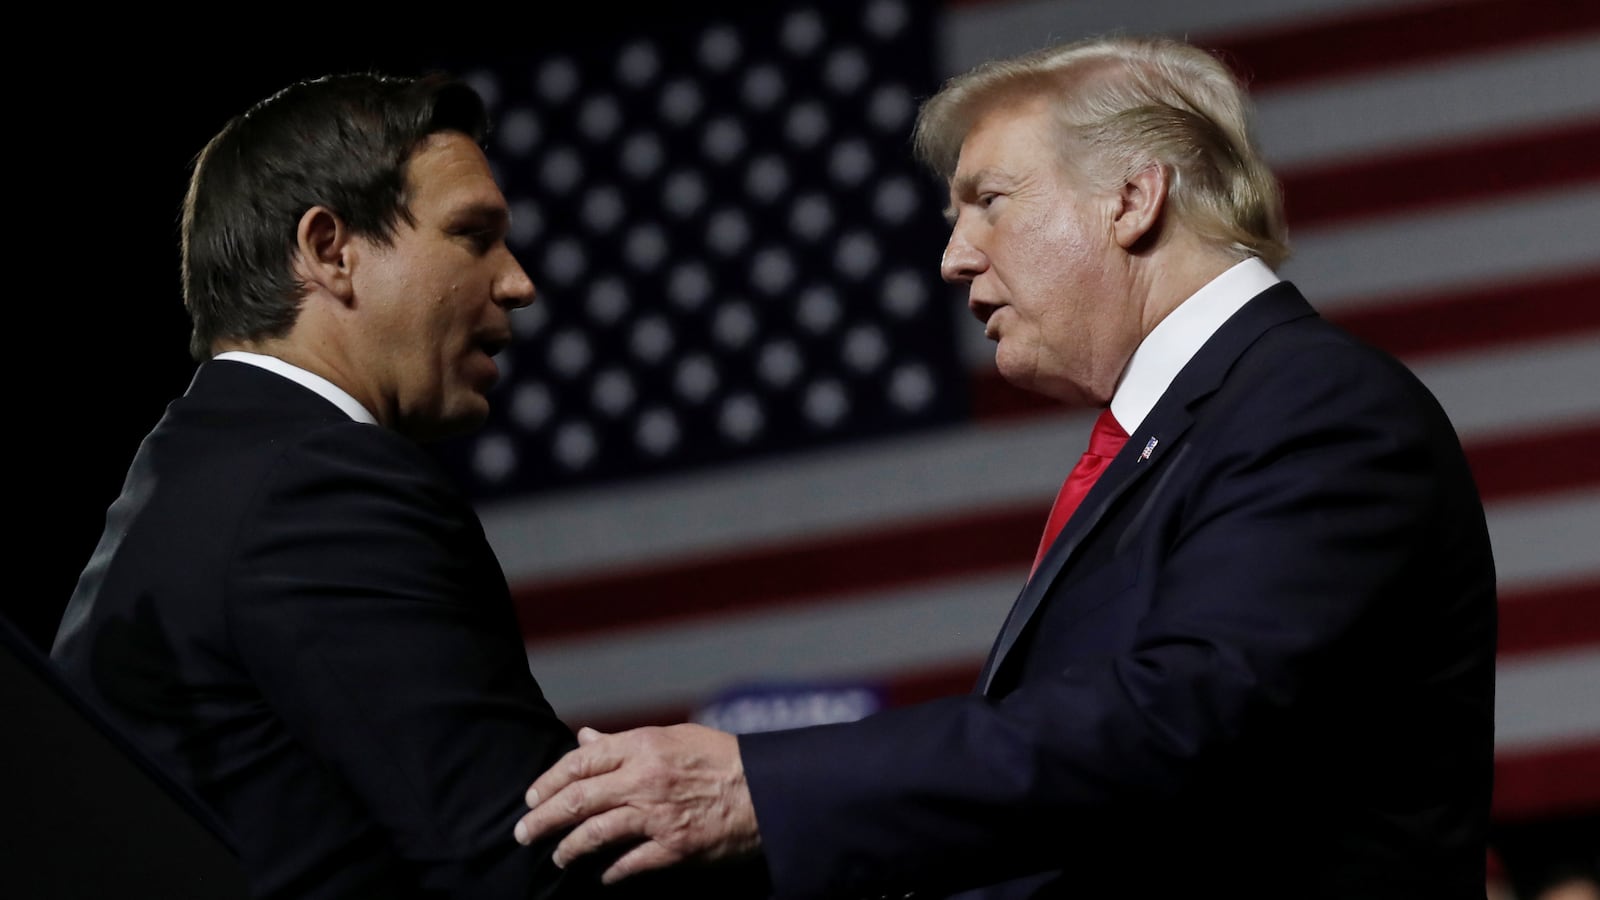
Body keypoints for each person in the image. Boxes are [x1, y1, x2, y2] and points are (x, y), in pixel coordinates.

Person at [511, 34, 1499, 900]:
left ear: (1132, 196)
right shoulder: (1191, 430)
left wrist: (763, 787)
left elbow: (1171, 723)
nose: (952, 256)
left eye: (988, 200)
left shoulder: (1312, 404)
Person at [52, 71, 630, 899]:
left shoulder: (202, 470)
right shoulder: (316, 486)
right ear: (330, 250)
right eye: (473, 234)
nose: (517, 282)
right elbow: (525, 861)